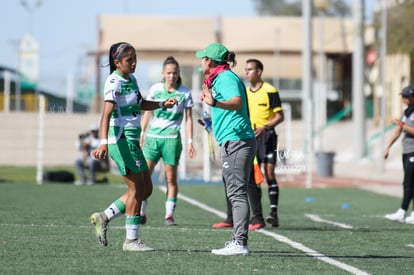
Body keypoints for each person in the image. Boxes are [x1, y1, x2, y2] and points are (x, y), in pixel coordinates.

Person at [89, 42, 177, 252]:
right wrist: (103, 142)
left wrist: (162, 104)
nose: (134, 63)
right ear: (117, 62)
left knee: (146, 189)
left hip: (132, 140)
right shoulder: (114, 81)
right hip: (120, 141)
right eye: (129, 60)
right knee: (136, 189)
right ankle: (131, 241)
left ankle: (105, 216)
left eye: (135, 58)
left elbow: (140, 104)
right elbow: (105, 115)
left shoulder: (132, 79)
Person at [196, 42, 257, 256]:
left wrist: (215, 103)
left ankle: (239, 242)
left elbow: (237, 102)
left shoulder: (226, 78)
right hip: (234, 140)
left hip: (237, 141)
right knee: (236, 192)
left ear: (210, 61)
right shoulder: (219, 78)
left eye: (203, 58)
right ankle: (238, 240)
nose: (201, 61)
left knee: (237, 193)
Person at [212, 59, 284, 231]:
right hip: (247, 136)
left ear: (259, 71)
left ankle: (271, 212)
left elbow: (280, 115)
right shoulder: (243, 91)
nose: (247, 72)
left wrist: (265, 127)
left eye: (250, 69)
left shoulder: (269, 90)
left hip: (266, 137)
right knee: (248, 178)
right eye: (245, 69)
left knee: (268, 174)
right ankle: (246, 217)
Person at [140, 56, 196, 225]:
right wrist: (142, 133)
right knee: (145, 177)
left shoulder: (185, 93)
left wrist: (190, 142)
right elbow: (147, 112)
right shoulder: (155, 89)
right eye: (169, 73)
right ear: (163, 74)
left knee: (171, 179)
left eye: (175, 73)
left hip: (171, 139)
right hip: (153, 139)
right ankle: (141, 211)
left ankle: (169, 215)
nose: (172, 76)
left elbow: (189, 118)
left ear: (179, 74)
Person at [384, 85, 414, 224]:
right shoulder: (407, 112)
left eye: (406, 96)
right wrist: (388, 147)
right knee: (408, 182)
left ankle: (403, 212)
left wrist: (400, 124)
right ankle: (406, 212)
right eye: (403, 96)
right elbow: (397, 131)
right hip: (406, 151)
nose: (404, 99)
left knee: (409, 182)